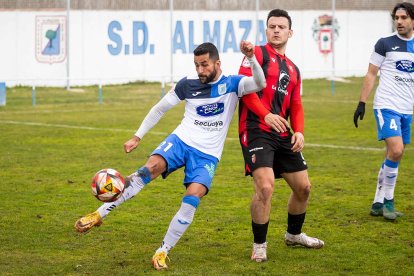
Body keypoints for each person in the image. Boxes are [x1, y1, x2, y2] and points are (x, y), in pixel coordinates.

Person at [74, 41, 266, 270]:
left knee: (193, 196)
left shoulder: (234, 84)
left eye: (204, 65)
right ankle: (98, 214)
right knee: (148, 170)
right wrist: (137, 136)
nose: (200, 70)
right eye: (196, 65)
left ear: (217, 63)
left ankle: (163, 251)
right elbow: (160, 108)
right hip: (181, 141)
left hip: (207, 154)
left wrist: (252, 57)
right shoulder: (188, 84)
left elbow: (259, 82)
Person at [238, 9, 324, 262]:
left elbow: (296, 104)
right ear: (266, 30)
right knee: (265, 186)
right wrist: (265, 114)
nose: (276, 30)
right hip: (256, 130)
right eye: (272, 26)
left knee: (304, 188)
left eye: (281, 26)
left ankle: (294, 235)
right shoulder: (256, 55)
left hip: (282, 133)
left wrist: (298, 130)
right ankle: (259, 245)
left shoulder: (294, 69)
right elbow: (244, 91)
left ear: (290, 32)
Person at [353, 2, 414, 221]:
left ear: (412, 20)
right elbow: (371, 73)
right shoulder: (385, 43)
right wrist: (362, 102)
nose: (399, 21)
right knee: (396, 150)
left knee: (393, 155)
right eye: (396, 18)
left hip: (407, 109)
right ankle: (389, 201)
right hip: (386, 105)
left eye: (404, 17)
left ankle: (378, 202)